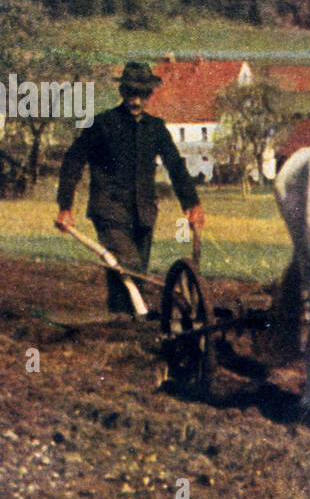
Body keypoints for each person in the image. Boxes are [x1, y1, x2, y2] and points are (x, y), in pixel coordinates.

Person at [55, 61, 205, 314]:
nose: (136, 100)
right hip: (109, 210)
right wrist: (65, 206)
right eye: (131, 93)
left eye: (142, 94)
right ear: (122, 92)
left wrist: (192, 203)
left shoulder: (156, 128)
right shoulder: (102, 124)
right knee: (129, 265)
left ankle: (124, 324)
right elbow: (73, 161)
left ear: (149, 95)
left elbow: (176, 166)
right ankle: (131, 319)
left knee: (131, 276)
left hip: (143, 214)